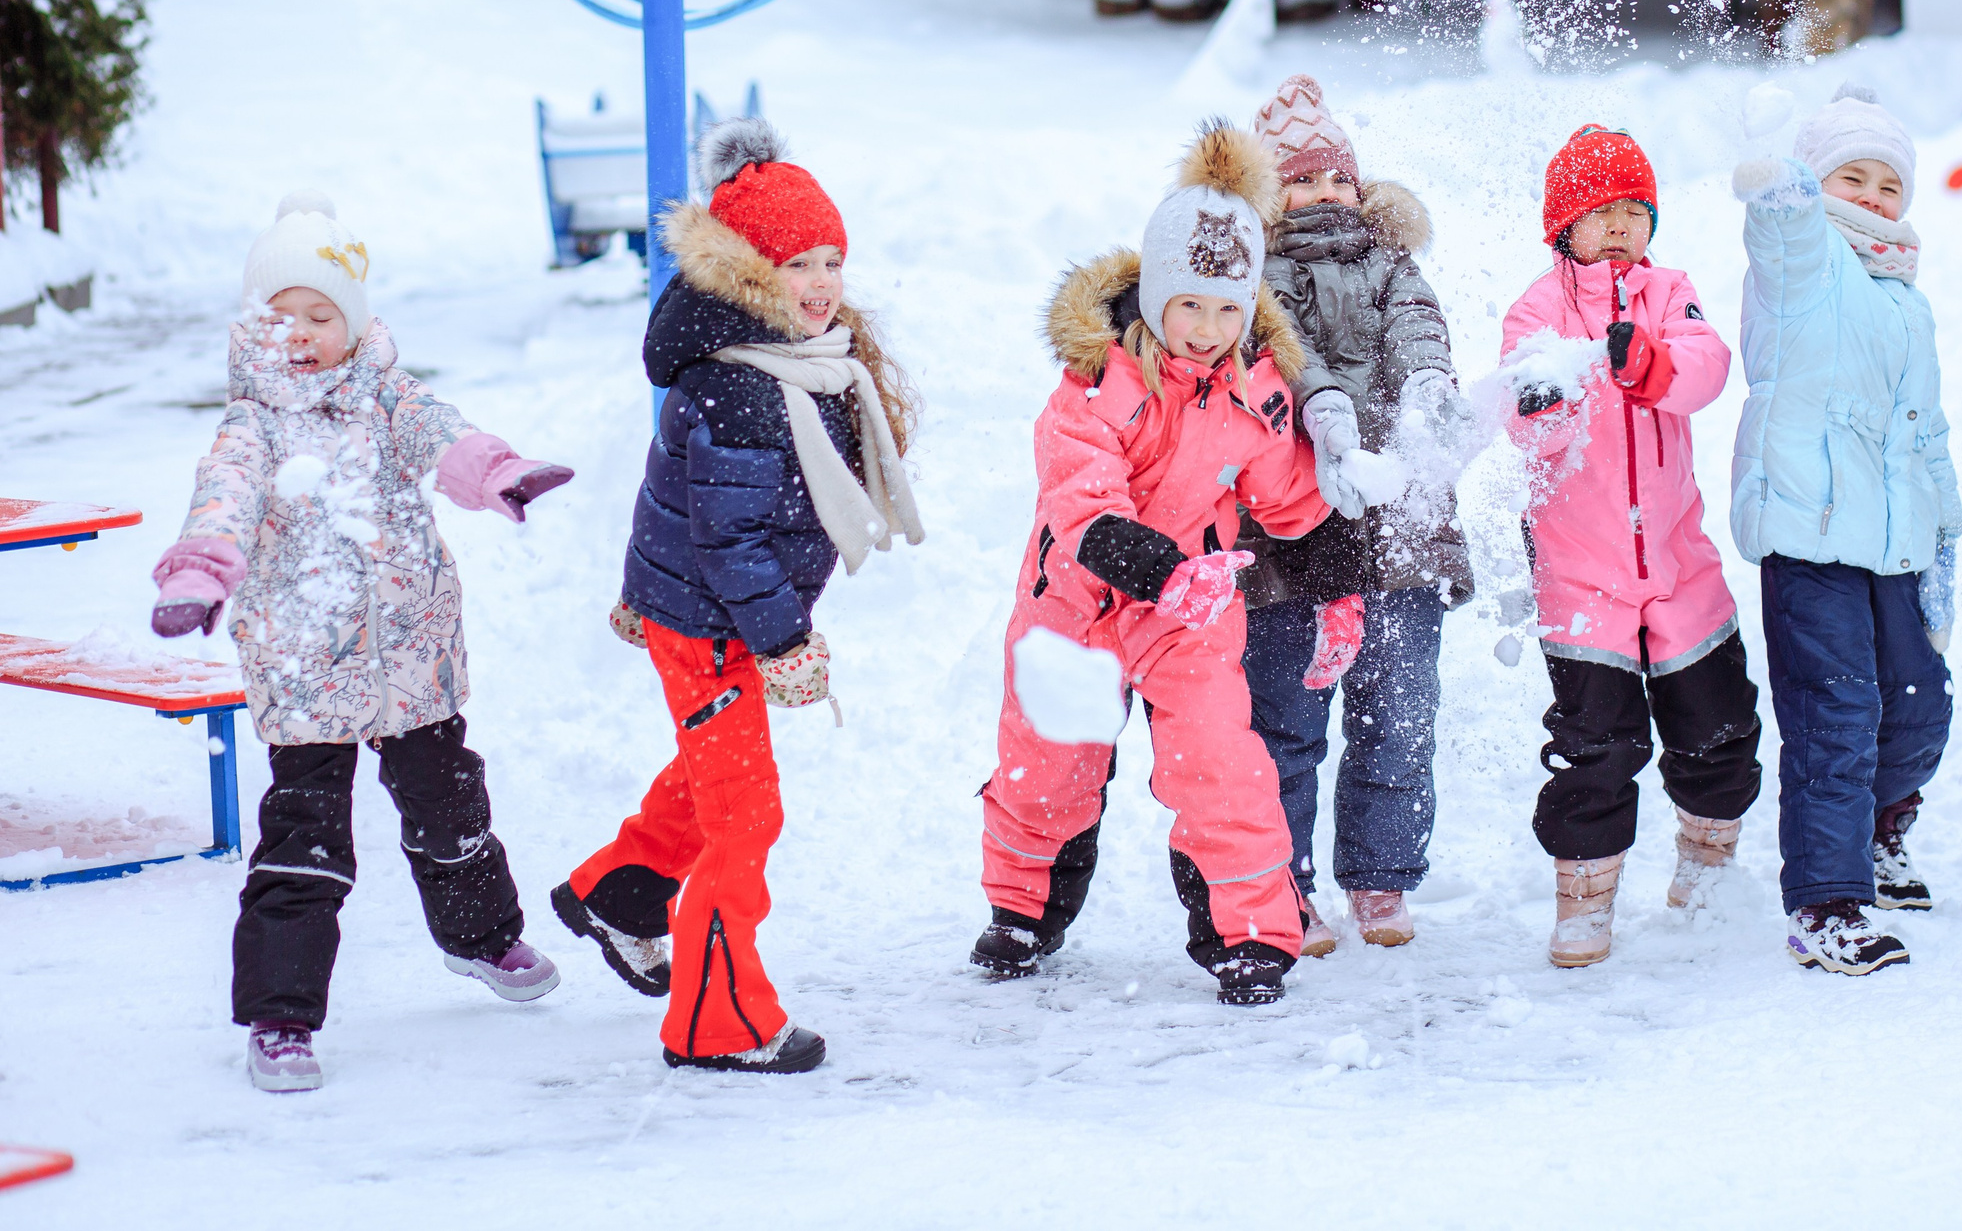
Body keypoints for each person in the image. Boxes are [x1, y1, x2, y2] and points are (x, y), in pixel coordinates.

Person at [149, 192, 573, 1093]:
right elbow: (220, 501)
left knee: (452, 807)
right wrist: (197, 573)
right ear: (253, 326)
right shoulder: (253, 424)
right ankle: (280, 1017)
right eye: (281, 316)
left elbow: (444, 437)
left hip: (412, 656)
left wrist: (499, 472)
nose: (300, 332)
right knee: (304, 843)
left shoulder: (388, 399)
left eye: (320, 314)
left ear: (355, 322)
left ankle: (482, 941)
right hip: (308, 671)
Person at [554, 119, 923, 1073]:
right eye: (797, 262)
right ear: (750, 271)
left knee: (715, 775)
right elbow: (730, 541)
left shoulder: (794, 361)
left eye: (832, 259)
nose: (821, 282)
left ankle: (622, 893)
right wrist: (786, 640)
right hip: (716, 621)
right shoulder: (746, 386)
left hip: (710, 616)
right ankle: (718, 1023)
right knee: (745, 815)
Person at [972, 119, 1332, 1005]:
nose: (1208, 329)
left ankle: (1249, 932)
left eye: (1228, 309)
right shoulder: (1096, 383)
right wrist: (1148, 561)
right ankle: (1022, 905)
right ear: (1156, 299)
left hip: (1191, 608)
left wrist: (1336, 491)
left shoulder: (1255, 388)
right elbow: (1083, 495)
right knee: (1048, 762)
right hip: (1078, 596)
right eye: (1190, 306)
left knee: (1221, 760)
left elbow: (1286, 501)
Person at [1501, 124, 1763, 970]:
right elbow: (1520, 422)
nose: (1617, 225)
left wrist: (1649, 364)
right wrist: (1548, 396)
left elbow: (1706, 366)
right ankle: (1584, 896)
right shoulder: (1538, 312)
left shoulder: (1668, 293)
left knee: (1716, 723)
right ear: (1561, 228)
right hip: (1583, 577)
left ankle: (1707, 859)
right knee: (1595, 747)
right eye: (1597, 211)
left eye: (1632, 210)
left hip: (1680, 567)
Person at [1233, 75, 1472, 955]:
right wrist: (1325, 407)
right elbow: (1279, 347)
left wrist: (1428, 387)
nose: (1324, 195)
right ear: (1270, 195)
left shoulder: (1394, 265)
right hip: (1295, 526)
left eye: (1337, 179)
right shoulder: (1261, 276)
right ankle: (1282, 880)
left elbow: (1419, 330)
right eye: (1302, 181)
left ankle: (1379, 874)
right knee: (1285, 719)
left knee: (1399, 709)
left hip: (1402, 522)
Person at [1729, 87, 1962, 976]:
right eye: (1849, 177)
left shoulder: (1907, 297)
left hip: (1896, 544)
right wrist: (1778, 181)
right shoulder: (1805, 263)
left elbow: (1925, 427)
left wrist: (1948, 530)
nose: (1869, 196)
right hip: (1810, 533)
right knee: (1836, 716)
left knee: (1919, 706)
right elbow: (1781, 229)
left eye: (1886, 184)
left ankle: (1879, 829)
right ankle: (1826, 902)